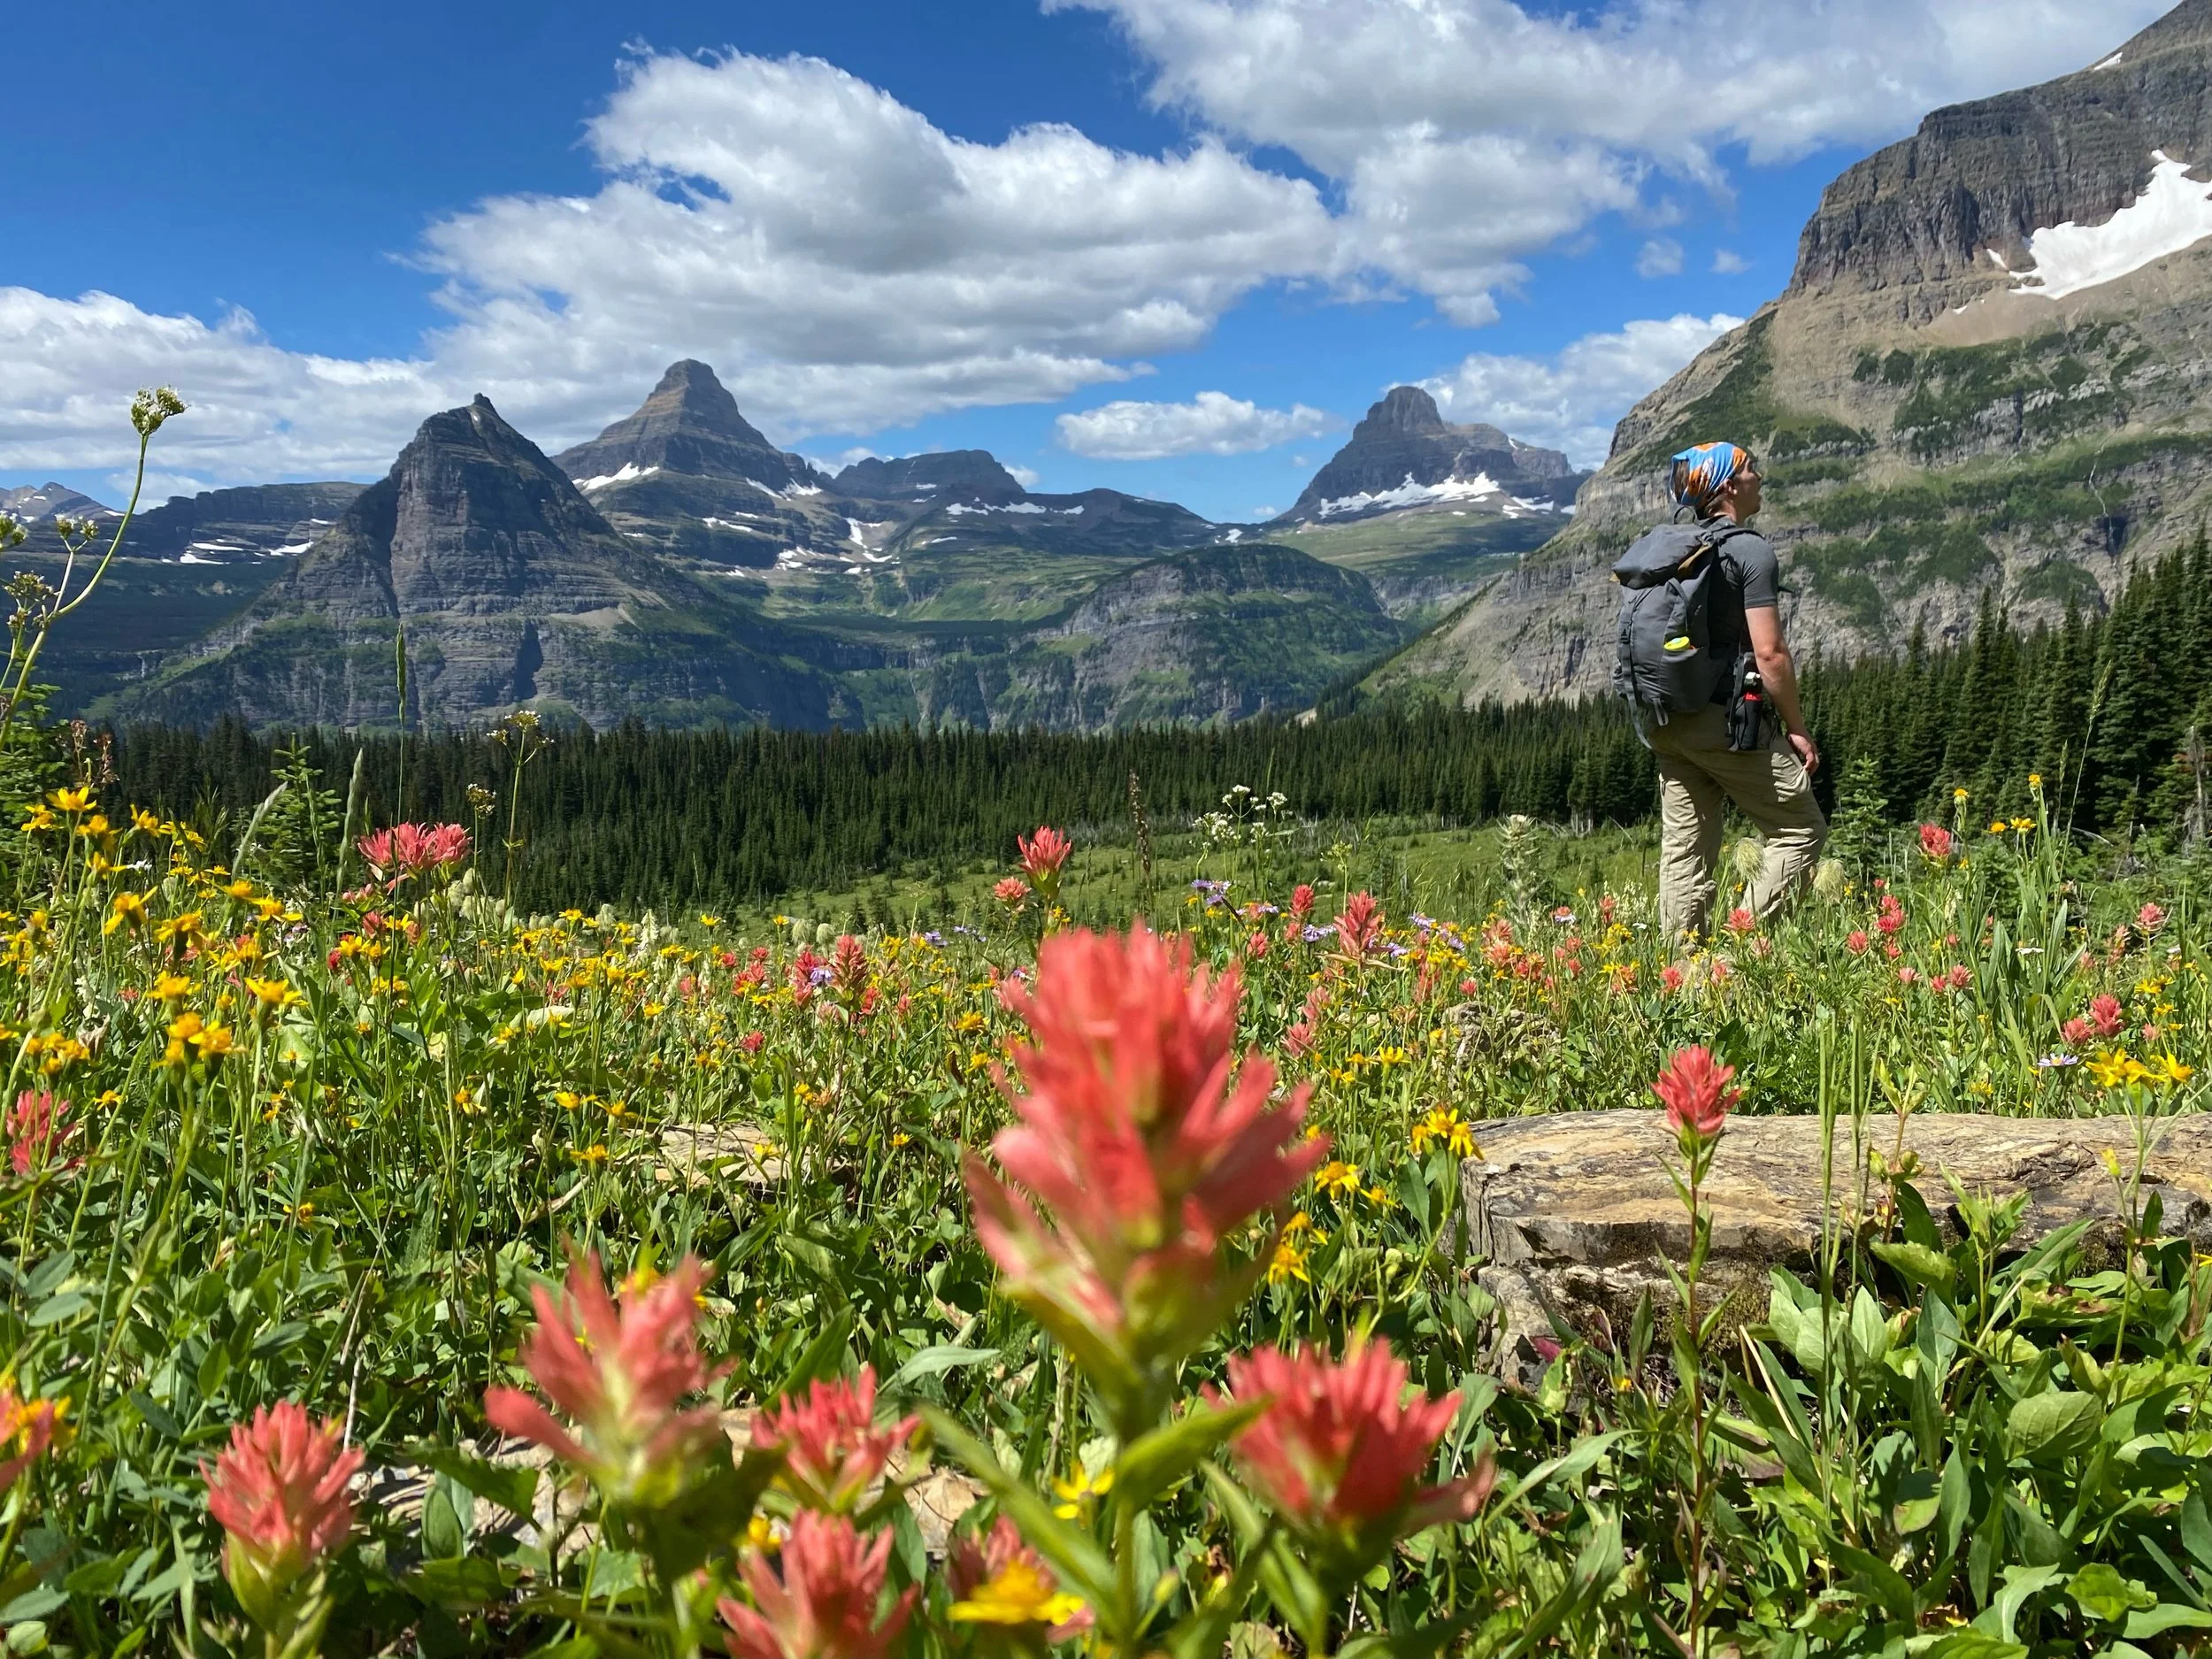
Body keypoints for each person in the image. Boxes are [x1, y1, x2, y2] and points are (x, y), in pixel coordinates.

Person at [1646, 442, 1826, 942]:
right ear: (1727, 486)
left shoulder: (1674, 546)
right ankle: (1733, 956)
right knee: (1800, 830)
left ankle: (1681, 977)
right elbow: (1770, 655)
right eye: (1750, 469)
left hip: (1665, 720)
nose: (1759, 476)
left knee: (1687, 845)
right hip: (1719, 718)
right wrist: (1797, 729)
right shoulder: (1748, 549)